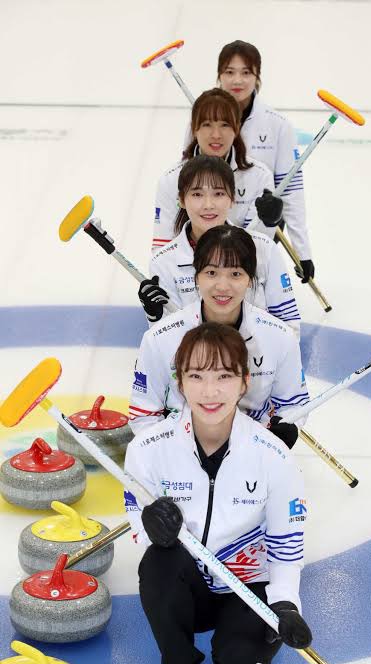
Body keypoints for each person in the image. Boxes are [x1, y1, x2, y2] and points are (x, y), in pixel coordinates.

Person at [124, 322, 312, 664]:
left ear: (244, 382)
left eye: (224, 376)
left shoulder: (273, 455)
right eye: (196, 376)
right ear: (180, 382)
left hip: (246, 585)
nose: (210, 391)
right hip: (188, 589)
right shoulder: (148, 449)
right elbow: (139, 524)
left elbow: (286, 544)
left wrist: (286, 604)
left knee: (242, 663)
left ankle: (233, 663)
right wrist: (150, 528)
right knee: (159, 562)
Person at [130, 225, 309, 444]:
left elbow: (293, 404)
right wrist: (176, 452)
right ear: (196, 276)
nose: (222, 286)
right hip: (181, 452)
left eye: (235, 274)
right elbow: (144, 415)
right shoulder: (160, 338)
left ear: (250, 279)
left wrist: (282, 431)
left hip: (252, 452)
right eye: (211, 273)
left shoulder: (279, 337)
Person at [141, 155, 301, 336]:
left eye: (218, 194)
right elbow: (163, 343)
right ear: (182, 200)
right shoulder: (163, 262)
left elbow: (289, 329)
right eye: (197, 194)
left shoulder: (263, 248)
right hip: (192, 354)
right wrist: (155, 318)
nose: (208, 205)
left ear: (232, 198)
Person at [216, 40, 315, 284]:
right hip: (212, 220)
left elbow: (291, 189)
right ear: (219, 76)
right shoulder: (201, 120)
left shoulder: (278, 125)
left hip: (261, 226)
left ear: (257, 77)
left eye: (246, 73)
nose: (237, 80)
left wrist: (302, 252)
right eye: (229, 72)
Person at [152, 88, 283, 251]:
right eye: (207, 125)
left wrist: (269, 221)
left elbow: (261, 249)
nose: (216, 135)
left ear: (236, 128)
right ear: (194, 129)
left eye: (224, 125)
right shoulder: (171, 180)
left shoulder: (260, 176)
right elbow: (162, 248)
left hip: (241, 264)